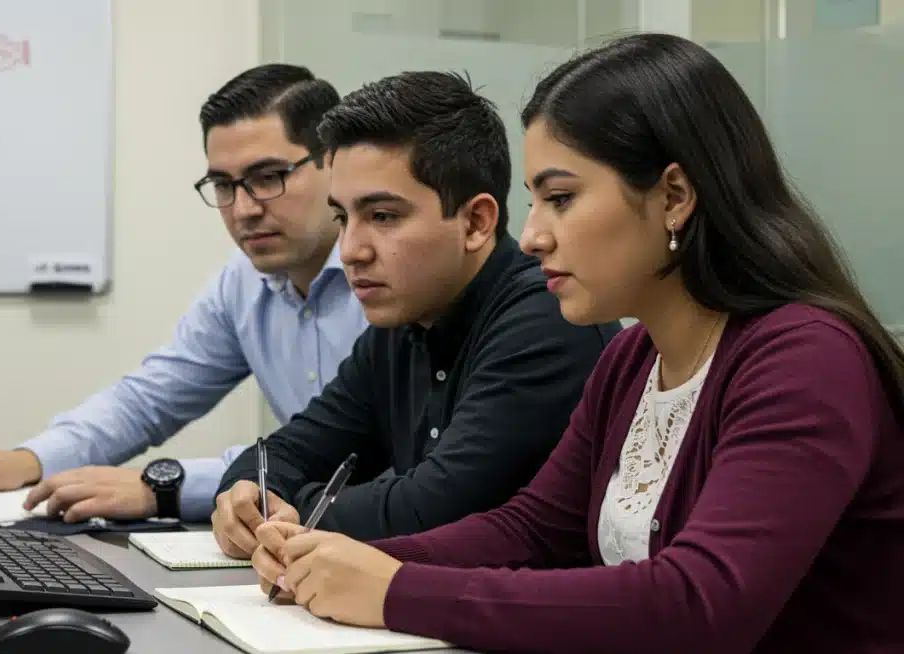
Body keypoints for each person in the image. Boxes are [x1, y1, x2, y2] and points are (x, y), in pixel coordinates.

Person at [248, 33, 904, 653]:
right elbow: (532, 531)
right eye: (533, 202)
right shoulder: (631, 359)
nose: (532, 237)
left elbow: (702, 605)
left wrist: (395, 590)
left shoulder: (804, 359)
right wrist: (330, 556)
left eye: (561, 198)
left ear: (674, 196)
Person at [0, 64, 369, 524]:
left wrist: (164, 487)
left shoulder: (387, 279)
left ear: (334, 163)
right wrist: (30, 460)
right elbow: (151, 397)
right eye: (224, 185)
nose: (244, 209)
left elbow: (368, 458)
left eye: (269, 176)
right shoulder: (244, 281)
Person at [211, 71, 620, 557]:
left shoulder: (548, 318)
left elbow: (431, 509)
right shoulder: (404, 321)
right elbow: (283, 452)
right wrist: (247, 494)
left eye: (382, 216)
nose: (350, 251)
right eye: (343, 217)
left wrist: (289, 511)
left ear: (475, 222)